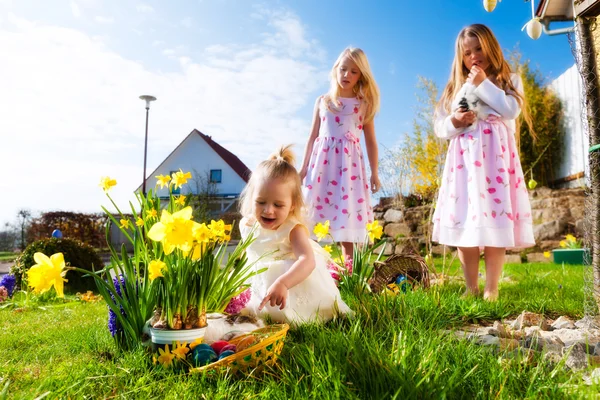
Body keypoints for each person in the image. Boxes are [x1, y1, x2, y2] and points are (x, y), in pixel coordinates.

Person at [432, 24, 535, 301]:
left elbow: (510, 109)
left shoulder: (508, 79)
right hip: (464, 163)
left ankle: (491, 287)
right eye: (468, 53)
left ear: (491, 48)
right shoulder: (456, 87)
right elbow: (440, 127)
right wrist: (455, 121)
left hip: (495, 163)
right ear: (461, 58)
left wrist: (482, 84)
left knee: (494, 221)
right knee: (466, 221)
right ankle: (471, 287)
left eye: (479, 49)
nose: (474, 56)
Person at [238, 145, 352, 325]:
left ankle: (303, 315)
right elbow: (250, 254)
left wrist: (283, 283)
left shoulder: (293, 229)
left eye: (278, 205)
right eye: (261, 202)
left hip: (293, 284)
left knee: (301, 317)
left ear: (292, 205)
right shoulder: (247, 225)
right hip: (263, 285)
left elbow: (307, 260)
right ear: (252, 198)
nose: (268, 210)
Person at [299, 47, 381, 263]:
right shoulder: (322, 101)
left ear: (361, 75)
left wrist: (375, 172)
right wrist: (303, 168)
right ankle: (310, 272)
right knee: (312, 219)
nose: (347, 75)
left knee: (348, 219)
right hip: (322, 167)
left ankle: (349, 276)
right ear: (335, 69)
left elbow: (371, 142)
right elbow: (312, 136)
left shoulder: (364, 104)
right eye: (343, 69)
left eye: (354, 71)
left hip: (349, 170)